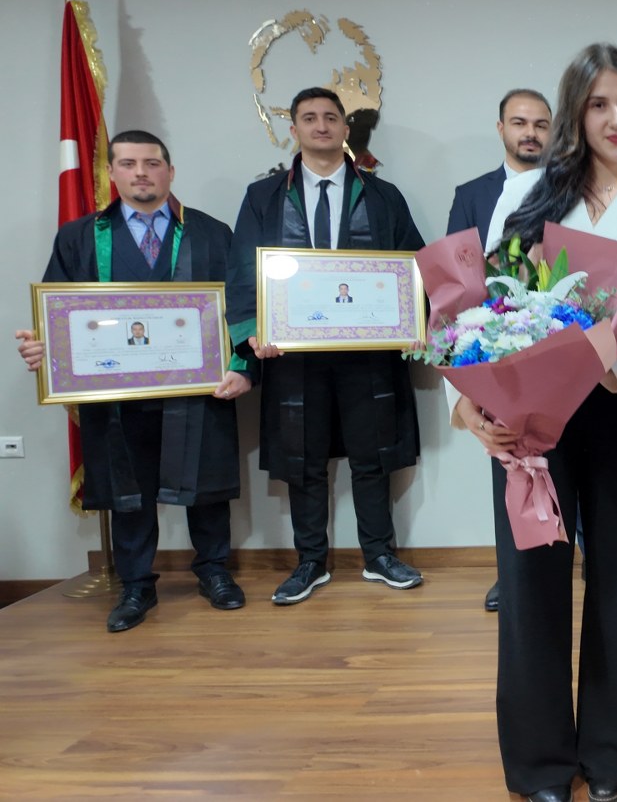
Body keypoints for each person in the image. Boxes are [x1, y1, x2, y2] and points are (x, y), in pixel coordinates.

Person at [473, 43, 617, 802]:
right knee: (530, 580)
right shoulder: (527, 194)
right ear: (576, 112)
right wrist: (473, 407)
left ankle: (612, 752)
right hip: (533, 414)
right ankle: (539, 763)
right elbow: (483, 313)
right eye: (600, 104)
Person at [14, 130, 248, 632]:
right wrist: (44, 350)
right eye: (128, 163)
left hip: (196, 389)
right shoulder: (79, 237)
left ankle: (214, 571)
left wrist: (243, 367)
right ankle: (136, 584)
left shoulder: (212, 232)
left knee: (205, 484)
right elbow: (58, 312)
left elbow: (242, 310)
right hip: (117, 396)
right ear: (112, 173)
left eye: (151, 163)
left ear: (170, 171)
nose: (141, 172)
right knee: (128, 490)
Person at [227, 86, 427, 606]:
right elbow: (243, 268)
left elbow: (415, 263)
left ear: (345, 128)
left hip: (368, 355)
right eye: (310, 117)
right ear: (293, 128)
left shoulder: (382, 196)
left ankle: (379, 555)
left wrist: (415, 318)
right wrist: (251, 329)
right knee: (304, 458)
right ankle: (310, 562)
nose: (321, 125)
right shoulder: (264, 196)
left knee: (372, 455)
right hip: (294, 358)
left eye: (331, 117)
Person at [446, 87, 555, 614]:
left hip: (559, 344)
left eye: (540, 124)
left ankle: (566, 560)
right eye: (519, 122)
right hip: (496, 347)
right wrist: (469, 369)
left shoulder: (570, 189)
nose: (530, 133)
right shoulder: (473, 194)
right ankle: (513, 574)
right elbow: (454, 281)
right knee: (509, 459)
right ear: (501, 129)